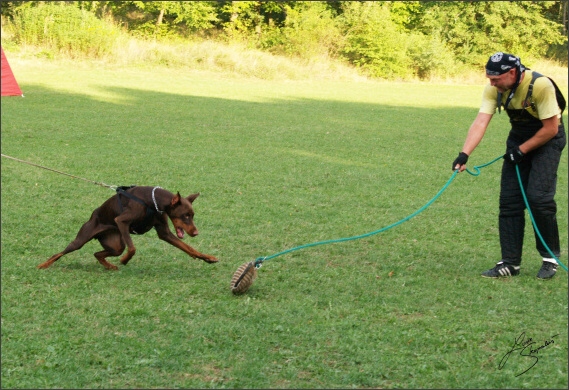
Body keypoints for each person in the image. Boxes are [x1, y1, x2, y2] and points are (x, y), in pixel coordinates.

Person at [452, 52, 566, 280]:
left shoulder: (540, 85)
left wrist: (522, 150)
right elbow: (481, 120)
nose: (491, 84)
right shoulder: (494, 89)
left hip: (547, 141)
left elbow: (551, 129)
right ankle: (510, 263)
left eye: (496, 79)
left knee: (539, 199)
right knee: (510, 202)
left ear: (512, 73)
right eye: (489, 79)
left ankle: (550, 259)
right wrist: (464, 154)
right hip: (518, 140)